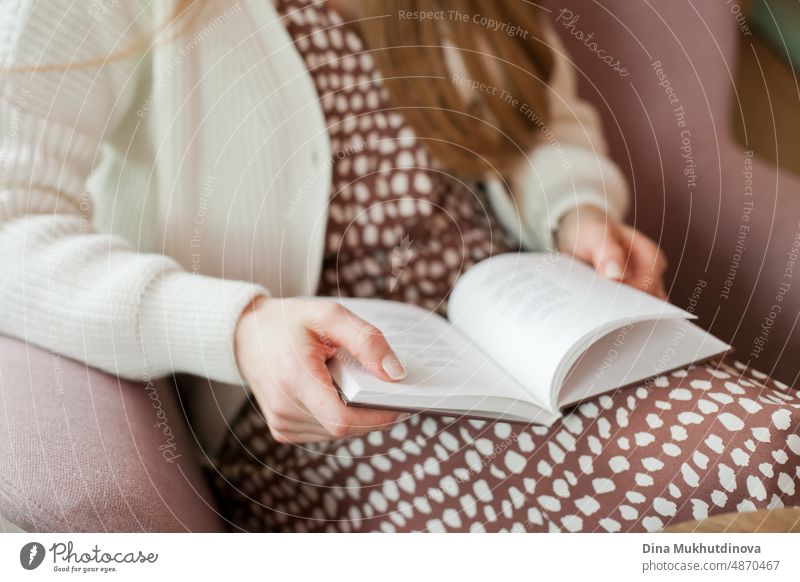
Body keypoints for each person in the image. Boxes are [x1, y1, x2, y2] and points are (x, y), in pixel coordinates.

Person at [0, 0, 796, 533]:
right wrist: (236, 328)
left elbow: (543, 116)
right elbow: (12, 227)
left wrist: (578, 211)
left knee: (774, 445)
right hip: (320, 392)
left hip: (515, 329)